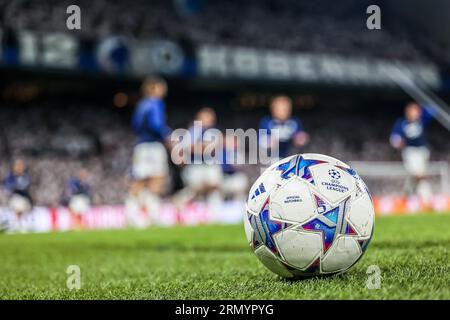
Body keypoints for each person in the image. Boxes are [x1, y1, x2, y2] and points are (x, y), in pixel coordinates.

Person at [128, 76, 171, 224]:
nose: (164, 90)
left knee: (139, 179)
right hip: (154, 145)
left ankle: (132, 214)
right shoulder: (156, 103)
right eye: (161, 87)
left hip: (141, 145)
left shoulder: (141, 105)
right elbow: (156, 124)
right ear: (154, 87)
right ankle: (153, 214)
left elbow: (135, 125)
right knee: (157, 178)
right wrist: (167, 134)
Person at [175, 107, 223, 209]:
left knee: (214, 187)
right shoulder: (192, 131)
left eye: (210, 118)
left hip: (210, 165)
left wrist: (195, 147)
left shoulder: (215, 131)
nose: (208, 120)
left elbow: (210, 148)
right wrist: (199, 147)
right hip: (195, 166)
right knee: (195, 189)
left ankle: (215, 212)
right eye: (205, 117)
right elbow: (183, 149)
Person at [390, 102, 435, 201]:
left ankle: (406, 195)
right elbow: (394, 138)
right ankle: (427, 198)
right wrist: (398, 142)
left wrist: (422, 108)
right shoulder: (402, 123)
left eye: (416, 111)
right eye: (412, 111)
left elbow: (433, 110)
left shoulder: (421, 120)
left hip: (422, 151)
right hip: (410, 152)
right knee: (418, 174)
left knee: (415, 177)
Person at [259, 95, 309, 162]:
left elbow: (302, 137)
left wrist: (301, 139)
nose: (283, 112)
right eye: (280, 109)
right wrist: (268, 142)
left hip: (291, 157)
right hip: (271, 158)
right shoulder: (266, 122)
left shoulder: (294, 122)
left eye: (286, 109)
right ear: (273, 109)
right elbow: (260, 140)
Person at [3, 159, 32, 230]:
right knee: (17, 210)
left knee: (24, 211)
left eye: (21, 166)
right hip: (15, 196)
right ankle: (15, 225)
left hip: (24, 196)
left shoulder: (25, 175)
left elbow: (27, 184)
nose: (20, 167)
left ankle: (20, 225)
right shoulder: (11, 176)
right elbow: (8, 186)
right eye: (18, 166)